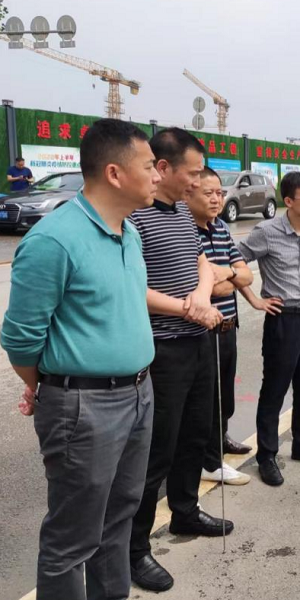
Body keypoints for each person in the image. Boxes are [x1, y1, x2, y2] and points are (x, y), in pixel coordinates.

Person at [1, 119, 159, 599]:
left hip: (139, 394)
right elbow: (21, 339)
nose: (158, 175)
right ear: (114, 173)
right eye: (150, 165)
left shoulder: (128, 232)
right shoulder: (55, 240)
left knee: (119, 517)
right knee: (72, 537)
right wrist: (48, 387)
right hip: (84, 406)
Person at [128, 128, 231, 593]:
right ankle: (134, 549)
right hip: (163, 349)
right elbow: (132, 288)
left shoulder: (183, 214)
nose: (197, 182)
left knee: (196, 434)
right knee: (157, 452)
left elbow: (203, 262)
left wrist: (202, 295)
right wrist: (189, 308)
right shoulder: (136, 217)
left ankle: (185, 511)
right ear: (164, 168)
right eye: (193, 173)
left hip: (198, 341)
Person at [238, 171, 300, 487]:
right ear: (289, 201)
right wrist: (254, 299)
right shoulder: (266, 232)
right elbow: (235, 262)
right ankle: (267, 456)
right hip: (282, 319)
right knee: (275, 388)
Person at [184, 167, 254, 486]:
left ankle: (219, 442)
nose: (216, 199)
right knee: (205, 400)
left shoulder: (221, 228)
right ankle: (209, 461)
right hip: (203, 331)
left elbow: (245, 276)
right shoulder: (185, 232)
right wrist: (228, 278)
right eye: (208, 193)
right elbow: (203, 286)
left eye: (220, 193)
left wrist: (225, 273)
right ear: (188, 194)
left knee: (224, 395)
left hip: (228, 327)